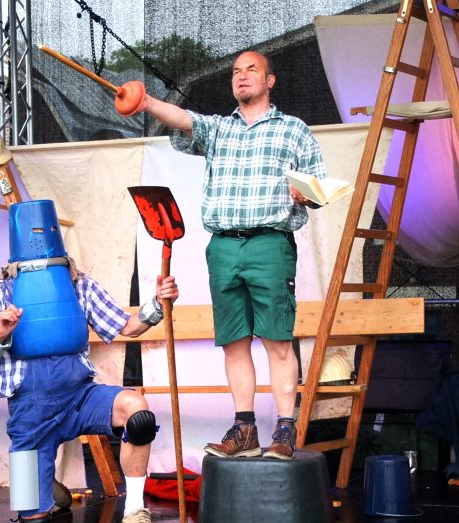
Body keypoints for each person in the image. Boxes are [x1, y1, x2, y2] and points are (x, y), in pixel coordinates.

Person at [139, 50, 326, 461]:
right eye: (236, 72)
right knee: (234, 343)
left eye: (251, 70)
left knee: (278, 341)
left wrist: (305, 194)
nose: (242, 77)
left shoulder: (293, 130)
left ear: (270, 81)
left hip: (270, 244)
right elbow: (185, 120)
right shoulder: (220, 129)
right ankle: (244, 429)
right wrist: (146, 101)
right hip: (223, 245)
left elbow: (319, 191)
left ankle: (284, 430)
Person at [0, 261, 179, 523]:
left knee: (136, 411)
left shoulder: (80, 286)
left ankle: (134, 510)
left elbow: (128, 326)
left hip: (80, 398)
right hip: (30, 414)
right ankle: (43, 478)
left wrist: (157, 302)